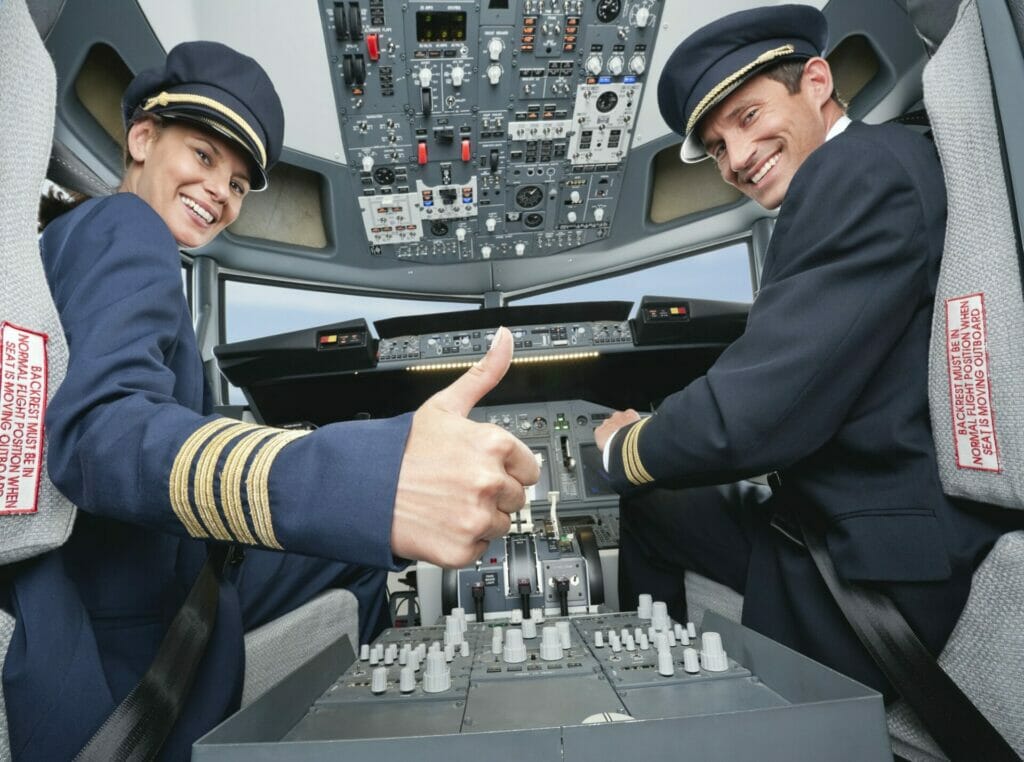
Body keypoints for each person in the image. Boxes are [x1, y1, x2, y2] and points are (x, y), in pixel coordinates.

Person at [5, 41, 538, 759]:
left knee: (350, 556)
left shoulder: (80, 240)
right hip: (127, 600)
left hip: (134, 564)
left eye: (237, 182)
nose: (219, 192)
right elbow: (99, 431)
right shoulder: (123, 229)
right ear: (140, 139)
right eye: (202, 155)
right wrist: (367, 481)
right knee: (358, 547)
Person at [595, 5, 1009, 699]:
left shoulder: (852, 174)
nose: (736, 158)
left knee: (646, 499)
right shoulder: (889, 159)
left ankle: (656, 704)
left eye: (748, 117)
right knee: (664, 505)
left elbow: (752, 416)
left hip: (879, 578)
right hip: (890, 527)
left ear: (816, 80)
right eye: (719, 146)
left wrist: (622, 449)